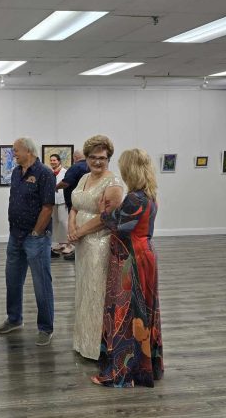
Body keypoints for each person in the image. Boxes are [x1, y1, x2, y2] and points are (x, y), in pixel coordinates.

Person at [92, 148, 163, 387]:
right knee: (142, 310)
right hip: (144, 254)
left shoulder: (135, 198)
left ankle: (122, 373)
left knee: (128, 312)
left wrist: (104, 212)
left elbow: (119, 226)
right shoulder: (150, 195)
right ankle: (143, 368)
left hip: (131, 257)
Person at [0, 137, 56, 346]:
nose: (13, 154)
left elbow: (48, 207)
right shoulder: (16, 172)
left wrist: (37, 232)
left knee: (41, 284)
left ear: (28, 151)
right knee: (12, 280)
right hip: (15, 235)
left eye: (15, 150)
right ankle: (14, 319)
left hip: (35, 238)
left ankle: (45, 328)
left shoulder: (44, 173)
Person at [68, 135, 124, 360]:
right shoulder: (83, 177)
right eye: (93, 157)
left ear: (109, 158)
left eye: (102, 158)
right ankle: (83, 342)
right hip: (82, 245)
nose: (97, 162)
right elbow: (74, 206)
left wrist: (79, 232)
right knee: (84, 291)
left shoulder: (114, 184)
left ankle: (98, 347)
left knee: (97, 293)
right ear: (87, 158)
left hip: (100, 244)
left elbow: (107, 218)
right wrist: (71, 226)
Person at [56, 150, 89, 260]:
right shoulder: (89, 166)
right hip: (88, 203)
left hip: (76, 203)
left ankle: (76, 252)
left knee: (75, 226)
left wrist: (56, 187)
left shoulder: (75, 167)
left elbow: (66, 182)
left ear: (75, 157)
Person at [48, 153, 70, 257]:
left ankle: (68, 244)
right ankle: (60, 243)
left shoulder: (65, 172)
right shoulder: (50, 172)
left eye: (54, 160)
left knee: (63, 221)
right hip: (53, 200)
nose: (52, 162)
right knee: (55, 222)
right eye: (51, 160)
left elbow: (67, 186)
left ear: (59, 161)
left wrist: (67, 199)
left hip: (62, 200)